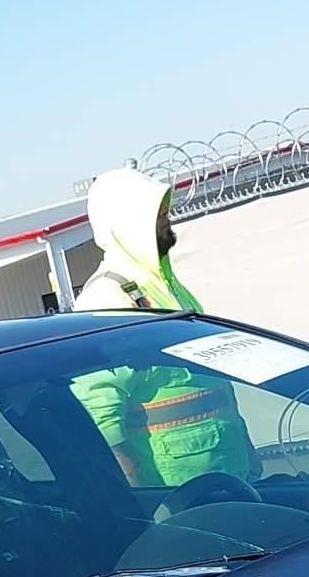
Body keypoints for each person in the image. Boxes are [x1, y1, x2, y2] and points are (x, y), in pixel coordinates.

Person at [69, 168, 259, 490]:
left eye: (164, 210)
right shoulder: (108, 298)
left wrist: (247, 452)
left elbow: (208, 382)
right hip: (175, 493)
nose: (166, 219)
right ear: (126, 223)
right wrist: (137, 495)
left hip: (225, 474)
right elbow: (100, 410)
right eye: (156, 214)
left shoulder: (167, 288)